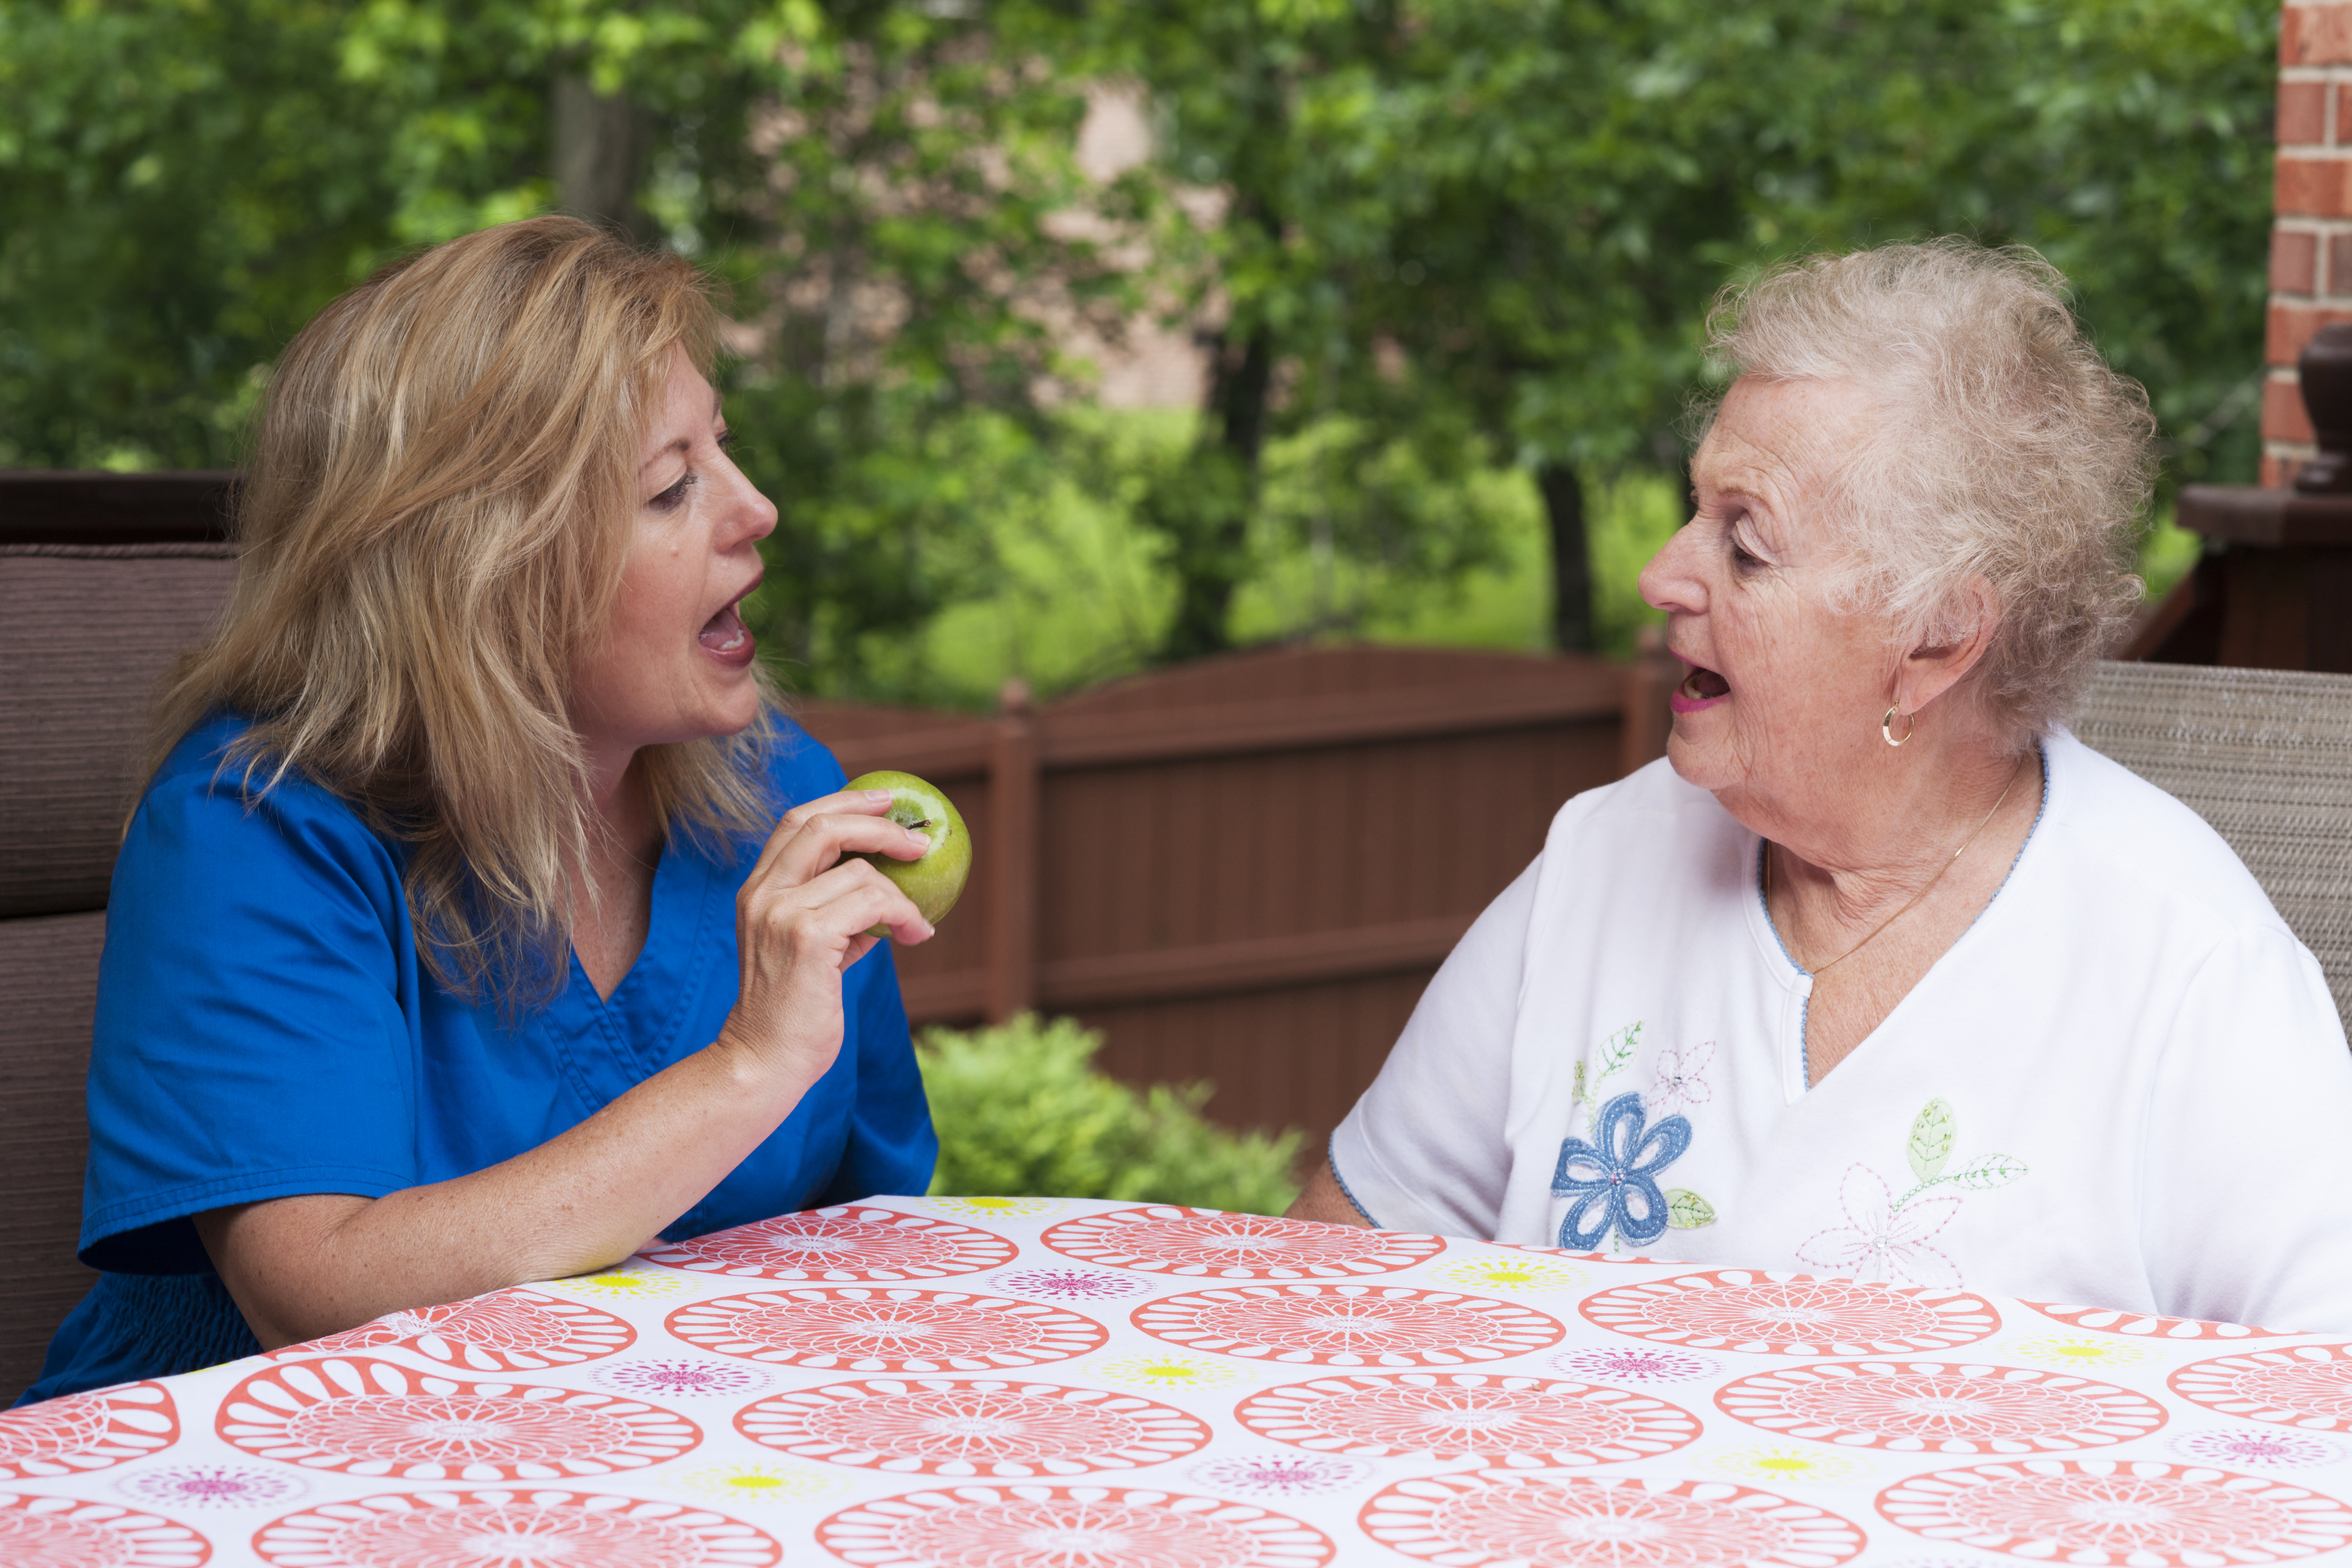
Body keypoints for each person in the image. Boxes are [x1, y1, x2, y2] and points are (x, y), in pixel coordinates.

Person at [1290, 239, 2352, 1334]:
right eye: (1693, 509)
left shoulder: (2187, 968)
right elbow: (1346, 1260)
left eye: (1744, 546)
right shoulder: (1602, 861)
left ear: (1938, 640)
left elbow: (2322, 1408)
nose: (1661, 575)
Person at [21, 217, 940, 1403]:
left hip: (666, 1464)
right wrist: (746, 1070)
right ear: (482, 571)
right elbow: (315, 1294)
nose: (756, 507)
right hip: (270, 1475)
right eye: (671, 486)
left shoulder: (786, 797)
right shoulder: (251, 828)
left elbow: (872, 1239)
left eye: (725, 449)